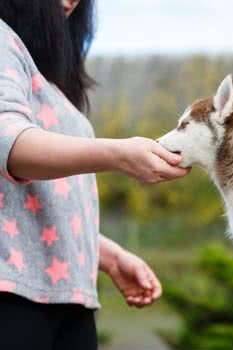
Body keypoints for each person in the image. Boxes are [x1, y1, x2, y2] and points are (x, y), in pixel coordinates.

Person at [0, 0, 189, 349]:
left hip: (67, 296)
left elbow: (36, 202)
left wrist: (108, 255)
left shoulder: (43, 76)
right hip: (14, 297)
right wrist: (117, 153)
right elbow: (9, 143)